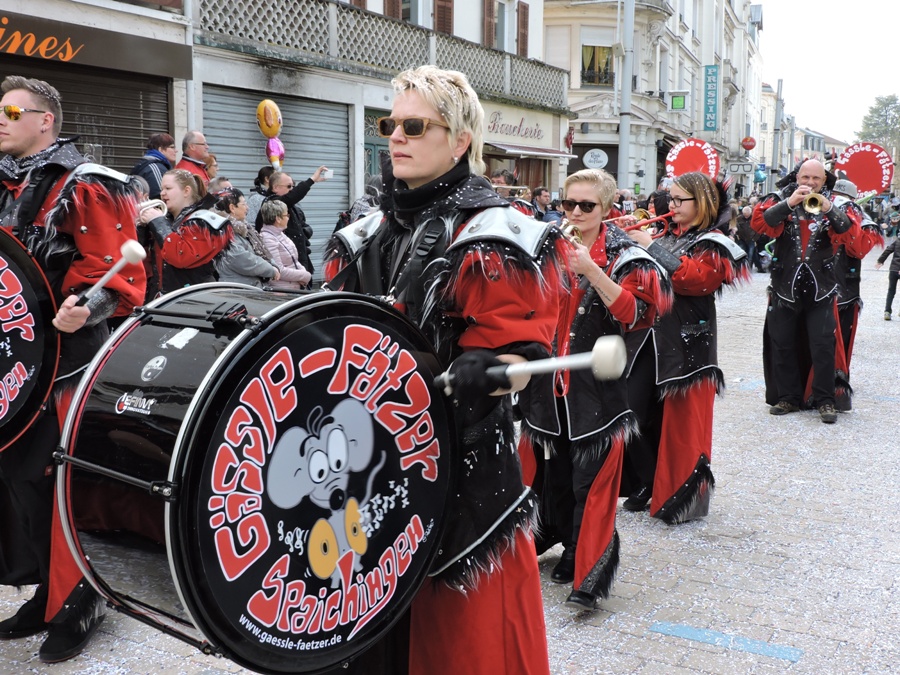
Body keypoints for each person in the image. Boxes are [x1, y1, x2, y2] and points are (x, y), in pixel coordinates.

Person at [325, 65, 556, 675]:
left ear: (459, 141)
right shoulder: (364, 233)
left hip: (458, 474)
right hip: (364, 472)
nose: (396, 138)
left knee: (458, 650)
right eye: (390, 125)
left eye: (415, 126)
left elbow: (525, 360)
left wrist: (493, 367)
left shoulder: (492, 235)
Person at [0, 75, 146, 663]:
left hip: (66, 360)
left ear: (46, 121)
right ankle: (44, 590)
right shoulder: (5, 183)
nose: (2, 119)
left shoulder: (87, 184)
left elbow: (118, 273)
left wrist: (87, 305)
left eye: (13, 112)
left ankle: (80, 599)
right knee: (18, 478)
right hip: (13, 361)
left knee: (59, 480)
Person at [517, 168, 668, 611]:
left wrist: (592, 271)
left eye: (587, 205)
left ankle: (585, 564)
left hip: (597, 389)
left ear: (606, 208)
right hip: (547, 385)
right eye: (569, 204)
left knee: (591, 479)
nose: (576, 213)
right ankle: (564, 543)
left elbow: (637, 315)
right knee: (554, 474)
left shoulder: (626, 255)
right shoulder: (546, 244)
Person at [623, 172, 748, 522]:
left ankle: (679, 494)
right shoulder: (666, 234)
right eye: (670, 198)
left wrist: (649, 246)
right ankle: (649, 479)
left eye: (679, 200)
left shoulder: (714, 241)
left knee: (679, 422)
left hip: (687, 342)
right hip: (647, 338)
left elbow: (695, 280)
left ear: (701, 202)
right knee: (632, 410)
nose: (671, 205)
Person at [751, 159, 859, 424]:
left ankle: (824, 400)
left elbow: (848, 231)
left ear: (824, 180)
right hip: (783, 285)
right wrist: (789, 203)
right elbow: (761, 224)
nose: (810, 183)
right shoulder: (779, 198)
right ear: (797, 176)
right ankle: (787, 397)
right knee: (782, 342)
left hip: (822, 286)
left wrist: (829, 207)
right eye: (806, 177)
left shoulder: (835, 202)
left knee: (823, 345)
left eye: (816, 179)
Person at [830, 179, 882, 408]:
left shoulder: (863, 220)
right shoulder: (819, 210)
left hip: (844, 290)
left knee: (839, 341)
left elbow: (858, 249)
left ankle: (836, 390)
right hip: (821, 287)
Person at [139, 168, 233, 293]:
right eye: (162, 189)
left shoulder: (202, 222)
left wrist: (158, 222)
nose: (162, 193)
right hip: (164, 296)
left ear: (186, 191)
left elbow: (180, 256)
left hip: (193, 298)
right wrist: (141, 228)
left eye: (168, 188)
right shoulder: (167, 219)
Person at [256, 167, 327, 279]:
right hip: (285, 276)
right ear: (275, 187)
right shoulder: (273, 204)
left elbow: (302, 226)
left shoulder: (292, 207)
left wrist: (304, 234)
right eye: (289, 186)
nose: (292, 190)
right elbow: (293, 196)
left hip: (299, 263)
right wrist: (312, 180)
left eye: (293, 186)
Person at [212, 187, 279, 287]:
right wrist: (270, 269)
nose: (247, 208)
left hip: (245, 287)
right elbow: (242, 259)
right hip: (237, 289)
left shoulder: (243, 228)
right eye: (243, 204)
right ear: (232, 208)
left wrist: (272, 265)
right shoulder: (224, 230)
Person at [258, 199, 311, 290]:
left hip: (293, 286)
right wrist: (305, 276)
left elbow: (294, 260)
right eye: (286, 215)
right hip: (281, 290)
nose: (288, 218)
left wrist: (303, 273)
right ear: (278, 219)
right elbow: (279, 270)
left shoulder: (280, 233)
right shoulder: (267, 239)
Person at [129, 132, 176, 199]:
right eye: (172, 147)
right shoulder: (155, 168)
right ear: (161, 150)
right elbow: (160, 198)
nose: (176, 151)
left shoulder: (151, 165)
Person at [875, 236, 900, 320]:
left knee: (891, 291)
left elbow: (888, 250)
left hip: (893, 269)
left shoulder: (897, 241)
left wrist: (880, 261)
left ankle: (887, 312)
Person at [735, 205, 764, 272]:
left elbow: (758, 230)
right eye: (745, 215)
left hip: (751, 239)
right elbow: (736, 228)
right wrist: (737, 236)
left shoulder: (754, 219)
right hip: (742, 239)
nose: (746, 216)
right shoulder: (739, 219)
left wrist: (755, 239)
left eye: (747, 215)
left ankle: (748, 268)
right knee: (742, 253)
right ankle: (742, 267)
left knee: (751, 254)